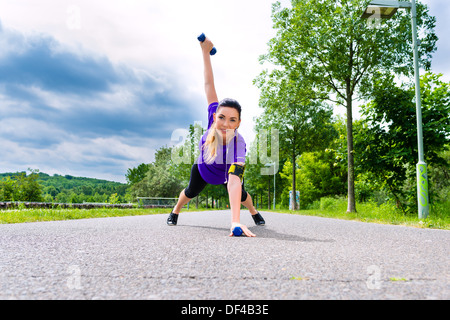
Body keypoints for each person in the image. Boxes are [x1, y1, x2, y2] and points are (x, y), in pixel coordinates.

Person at [167, 35, 265, 237]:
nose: (225, 124)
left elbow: (235, 180)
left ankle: (254, 213)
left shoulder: (238, 143)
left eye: (232, 120)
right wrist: (205, 53)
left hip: (225, 175)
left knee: (243, 195)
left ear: (239, 123)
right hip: (203, 169)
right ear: (214, 116)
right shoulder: (213, 121)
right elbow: (208, 84)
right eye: (222, 117)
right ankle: (175, 212)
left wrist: (235, 222)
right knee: (190, 192)